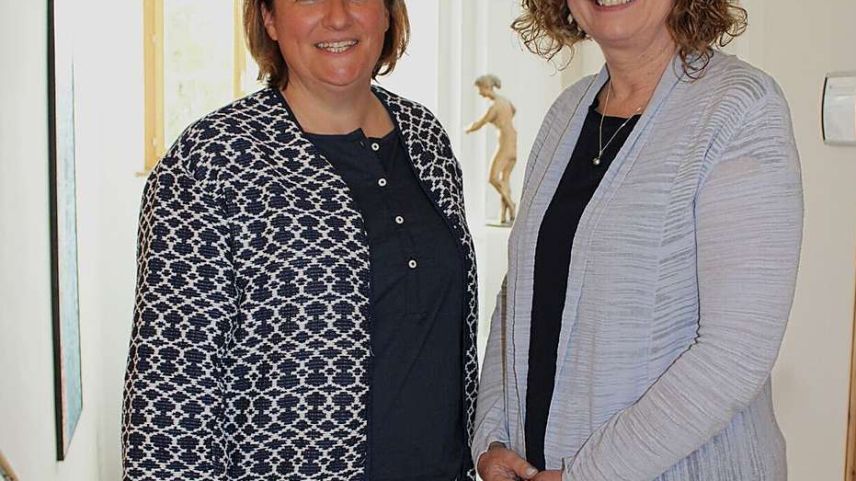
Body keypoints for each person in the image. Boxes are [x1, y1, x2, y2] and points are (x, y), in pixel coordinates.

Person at [122, 1, 479, 480]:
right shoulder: (211, 162)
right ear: (268, 18)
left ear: (387, 12)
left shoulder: (425, 137)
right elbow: (169, 397)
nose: (338, 16)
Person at [474, 0, 803, 480]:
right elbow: (520, 292)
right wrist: (493, 436)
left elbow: (735, 353)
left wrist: (590, 473)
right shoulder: (566, 112)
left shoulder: (741, 107)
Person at [466, 74, 519, 224]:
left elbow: (481, 122)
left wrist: (468, 129)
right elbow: (514, 111)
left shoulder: (495, 106)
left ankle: (511, 204)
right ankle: (504, 215)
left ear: (486, 87)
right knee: (505, 181)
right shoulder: (506, 102)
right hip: (513, 143)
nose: (479, 93)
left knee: (493, 178)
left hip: (505, 145)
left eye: (480, 89)